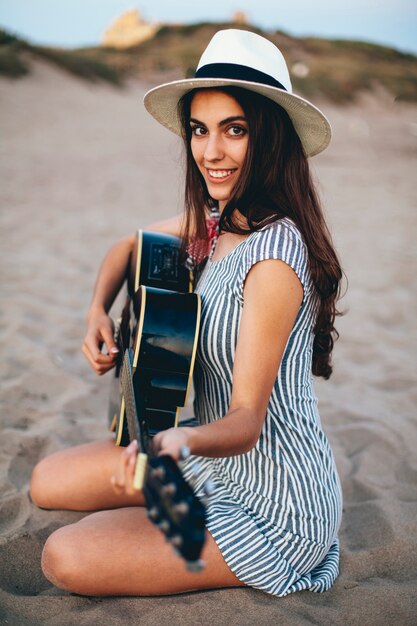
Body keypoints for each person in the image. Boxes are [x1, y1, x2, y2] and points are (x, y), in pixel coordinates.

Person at [30, 29, 343, 597]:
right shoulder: (220, 220)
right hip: (203, 453)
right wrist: (97, 311)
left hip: (270, 496)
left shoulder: (273, 258)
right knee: (46, 482)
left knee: (67, 555)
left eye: (235, 130)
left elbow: (247, 420)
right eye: (200, 130)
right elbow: (129, 245)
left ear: (270, 138)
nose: (210, 152)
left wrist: (175, 445)